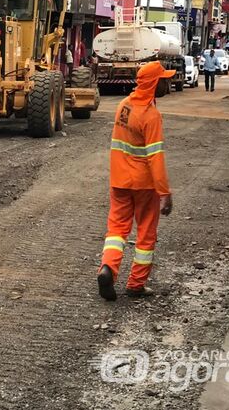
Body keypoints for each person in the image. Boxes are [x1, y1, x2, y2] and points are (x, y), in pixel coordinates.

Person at [98, 61, 174, 301]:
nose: (168, 82)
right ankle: (136, 284)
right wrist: (164, 193)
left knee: (117, 230)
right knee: (145, 234)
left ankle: (108, 268)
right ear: (153, 83)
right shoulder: (151, 116)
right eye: (164, 79)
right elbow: (156, 157)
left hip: (119, 181)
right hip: (144, 185)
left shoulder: (124, 106)